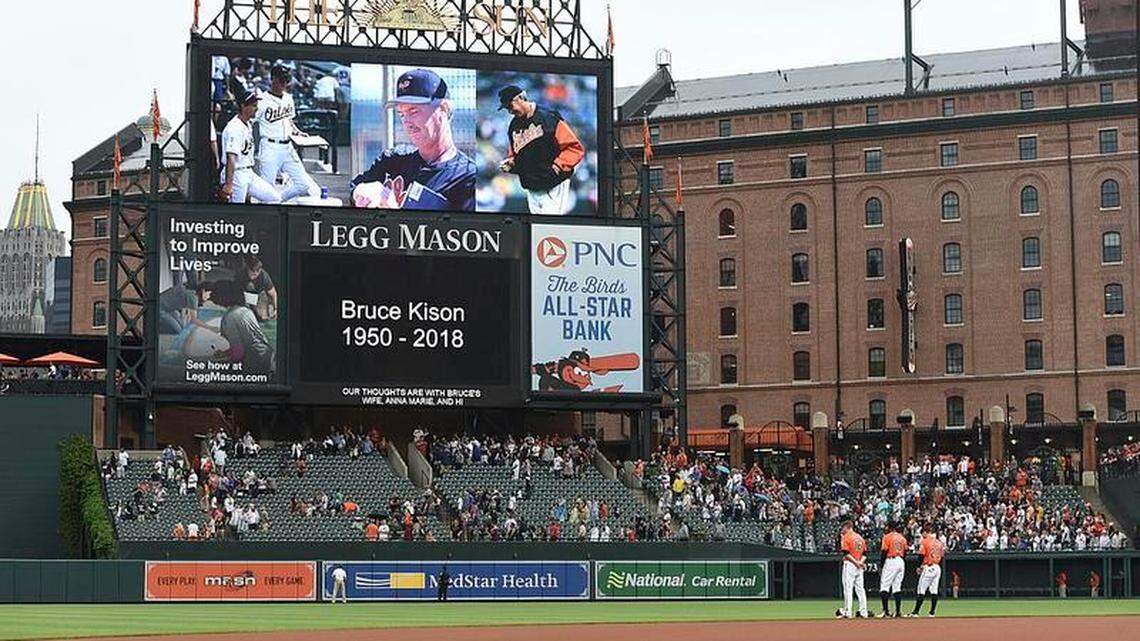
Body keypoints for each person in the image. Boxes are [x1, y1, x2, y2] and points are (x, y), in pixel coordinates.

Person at [351, 68, 475, 211]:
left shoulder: (467, 178)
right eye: (401, 114)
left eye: (413, 111)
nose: (406, 122)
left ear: (443, 109)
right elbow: (353, 187)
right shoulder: (393, 159)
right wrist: (360, 191)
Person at [497, 84, 585, 215]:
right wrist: (511, 163)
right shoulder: (513, 126)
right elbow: (515, 154)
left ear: (520, 98)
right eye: (507, 109)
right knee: (538, 228)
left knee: (550, 227)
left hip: (553, 184)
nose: (510, 111)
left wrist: (558, 165)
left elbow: (574, 148)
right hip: (532, 187)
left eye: (510, 106)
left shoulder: (548, 117)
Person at [256, 63, 321, 203]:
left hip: (287, 147)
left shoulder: (288, 98)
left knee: (303, 185)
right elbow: (250, 121)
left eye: (286, 80)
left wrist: (298, 132)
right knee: (267, 188)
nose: (284, 83)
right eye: (281, 80)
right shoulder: (261, 101)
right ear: (272, 79)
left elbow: (289, 120)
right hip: (269, 146)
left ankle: (278, 200)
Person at [221, 88, 282, 204]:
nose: (257, 108)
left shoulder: (247, 123)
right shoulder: (234, 128)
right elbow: (231, 158)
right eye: (254, 105)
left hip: (248, 172)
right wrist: (229, 184)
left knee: (275, 198)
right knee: (236, 212)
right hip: (236, 174)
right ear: (243, 106)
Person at [212, 280, 275, 375]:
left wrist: (222, 363)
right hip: (267, 357)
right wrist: (226, 353)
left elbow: (239, 353)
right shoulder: (246, 310)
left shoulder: (230, 318)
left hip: (254, 363)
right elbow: (248, 341)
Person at [909, 525, 945, 617]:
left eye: (923, 532)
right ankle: (932, 612)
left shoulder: (925, 541)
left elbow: (921, 555)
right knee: (934, 591)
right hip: (937, 567)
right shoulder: (939, 542)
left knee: (921, 590)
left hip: (928, 567)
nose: (922, 534)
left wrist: (918, 566)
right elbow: (942, 555)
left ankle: (915, 612)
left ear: (926, 532)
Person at [835, 521, 868, 619]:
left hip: (850, 564)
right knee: (860, 589)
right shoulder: (860, 537)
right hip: (859, 564)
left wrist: (855, 563)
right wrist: (860, 562)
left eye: (843, 527)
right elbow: (865, 554)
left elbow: (846, 553)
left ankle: (847, 612)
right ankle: (863, 612)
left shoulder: (847, 537)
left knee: (848, 589)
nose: (842, 530)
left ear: (847, 527)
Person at [878, 522, 907, 618]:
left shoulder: (887, 537)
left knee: (884, 586)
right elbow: (905, 551)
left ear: (889, 527)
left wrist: (882, 565)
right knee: (897, 587)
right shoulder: (902, 537)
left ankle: (886, 612)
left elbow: (884, 552)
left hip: (891, 560)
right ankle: (898, 611)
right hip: (901, 561)